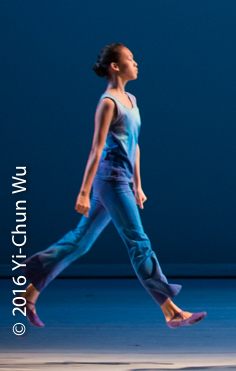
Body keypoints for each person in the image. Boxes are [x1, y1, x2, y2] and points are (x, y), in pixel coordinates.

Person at [20, 43, 206, 328]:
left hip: (123, 180)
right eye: (130, 59)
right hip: (110, 180)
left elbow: (135, 145)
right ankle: (171, 311)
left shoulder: (131, 98)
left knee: (80, 242)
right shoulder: (108, 102)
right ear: (115, 66)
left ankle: (28, 291)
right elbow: (96, 149)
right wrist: (83, 192)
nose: (136, 63)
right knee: (138, 242)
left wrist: (138, 184)